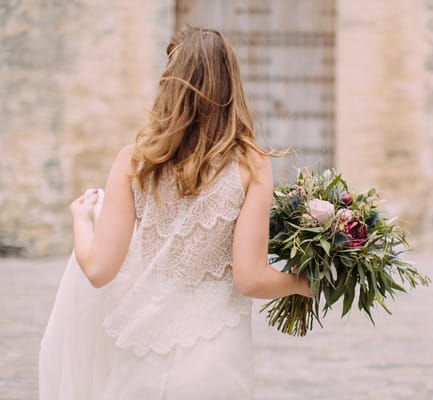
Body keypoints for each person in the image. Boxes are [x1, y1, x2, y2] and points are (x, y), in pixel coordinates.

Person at [42, 26, 313, 399]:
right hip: (215, 349)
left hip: (141, 345)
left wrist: (80, 219)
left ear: (169, 84)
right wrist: (307, 283)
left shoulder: (135, 160)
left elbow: (99, 270)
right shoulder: (252, 164)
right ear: (230, 86)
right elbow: (251, 279)